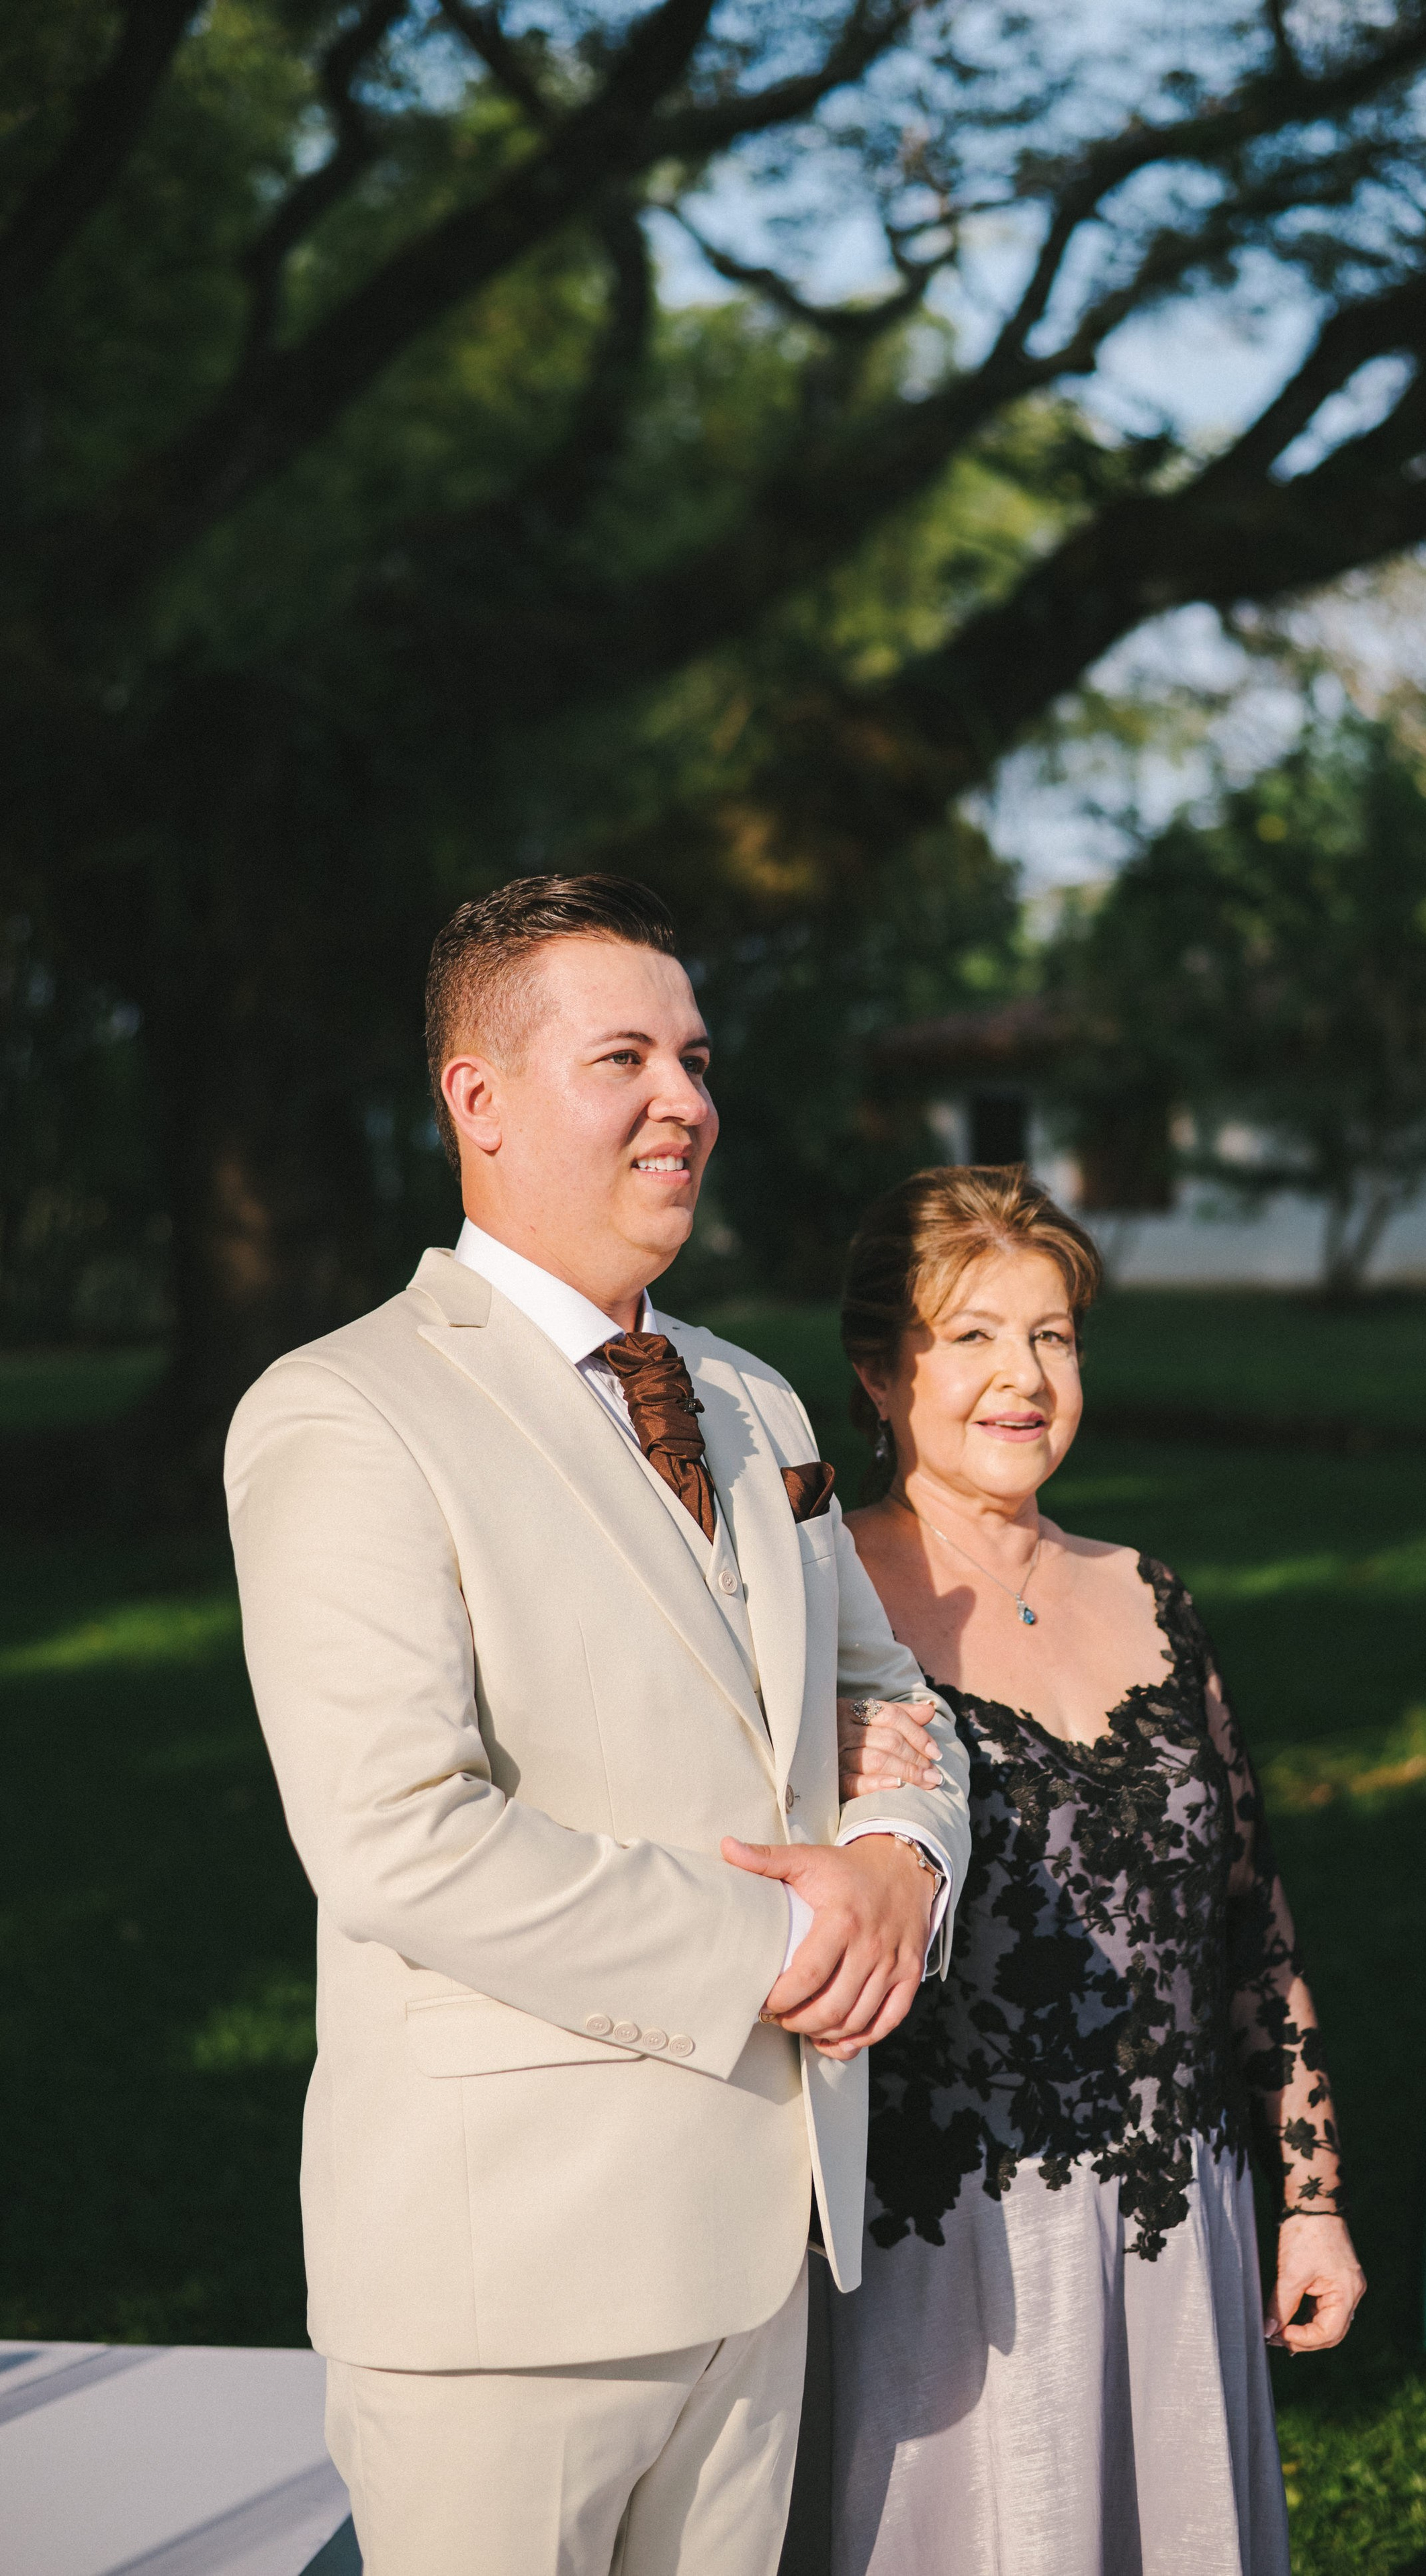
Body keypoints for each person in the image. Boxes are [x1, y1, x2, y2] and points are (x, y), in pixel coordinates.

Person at [225, 874, 971, 2576]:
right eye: (623, 1056)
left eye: (697, 1057)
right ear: (475, 1100)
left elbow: (880, 1694)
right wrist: (791, 1931)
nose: (688, 1100)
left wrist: (898, 1862)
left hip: (768, 2243)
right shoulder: (347, 1409)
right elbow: (399, 1834)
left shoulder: (752, 1396)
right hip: (514, 2279)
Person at [815, 1165, 1364, 2576]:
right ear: (881, 1372)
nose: (1024, 1376)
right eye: (975, 1335)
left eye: (1052, 1335)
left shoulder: (1149, 1592)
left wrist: (1309, 2197)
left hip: (1182, 2219)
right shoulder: (818, 1607)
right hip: (943, 2256)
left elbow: (1248, 1915)